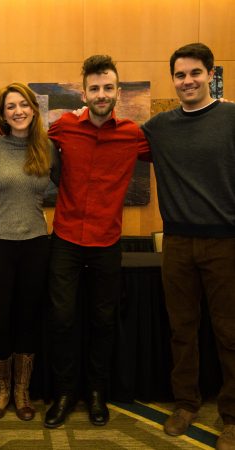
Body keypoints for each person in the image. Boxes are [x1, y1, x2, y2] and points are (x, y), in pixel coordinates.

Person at [44, 55, 150, 429]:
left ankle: (96, 393)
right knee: (62, 320)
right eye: (94, 88)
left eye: (108, 88)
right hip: (67, 238)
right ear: (84, 92)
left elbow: (174, 149)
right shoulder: (64, 127)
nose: (101, 94)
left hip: (107, 240)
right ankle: (63, 393)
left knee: (104, 321)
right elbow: (22, 135)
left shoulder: (134, 135)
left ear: (118, 92)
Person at [142, 43, 235, 450]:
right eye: (180, 75)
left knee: (230, 333)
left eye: (195, 73)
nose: (187, 81)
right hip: (176, 242)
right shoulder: (160, 127)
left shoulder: (232, 117)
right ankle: (186, 403)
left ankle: (232, 417)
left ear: (210, 75)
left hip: (226, 242)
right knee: (182, 329)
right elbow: (117, 135)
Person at [0, 83, 59, 421]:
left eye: (23, 104)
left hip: (36, 243)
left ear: (33, 109)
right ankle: (1, 391)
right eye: (10, 106)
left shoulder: (48, 147)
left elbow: (73, 184)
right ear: (2, 113)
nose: (18, 111)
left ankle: (23, 391)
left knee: (28, 318)